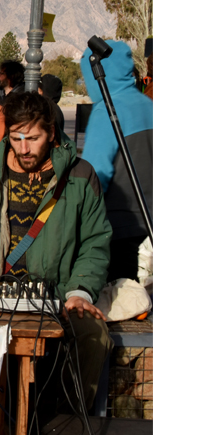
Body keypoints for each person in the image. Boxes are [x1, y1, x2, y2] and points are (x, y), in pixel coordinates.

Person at [0, 92, 113, 413]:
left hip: (58, 295)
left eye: (33, 138)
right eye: (15, 137)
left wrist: (80, 292)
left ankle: (65, 427)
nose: (23, 147)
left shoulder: (80, 175)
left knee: (93, 336)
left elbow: (95, 243)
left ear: (51, 133)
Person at [80, 40, 153, 282]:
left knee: (122, 306)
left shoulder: (106, 111)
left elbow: (94, 177)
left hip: (120, 227)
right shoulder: (149, 104)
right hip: (151, 224)